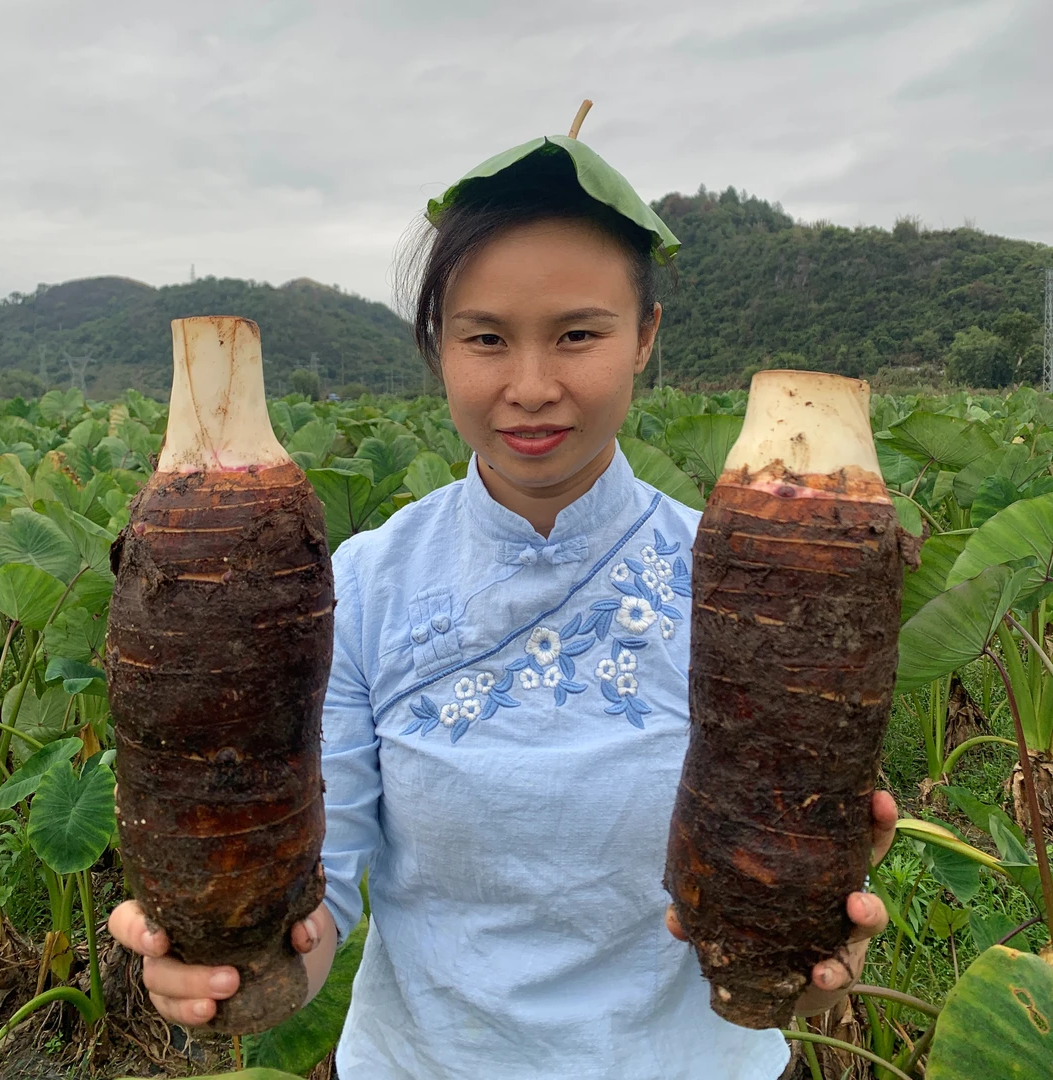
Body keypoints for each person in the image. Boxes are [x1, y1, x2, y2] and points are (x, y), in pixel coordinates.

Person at [109, 132, 897, 1079]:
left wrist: (799, 948)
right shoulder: (355, 586)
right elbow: (321, 899)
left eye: (578, 334)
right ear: (436, 344)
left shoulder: (754, 582)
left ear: (645, 335)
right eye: (485, 337)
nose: (530, 388)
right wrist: (227, 962)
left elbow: (782, 872)